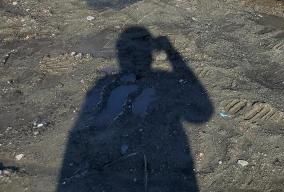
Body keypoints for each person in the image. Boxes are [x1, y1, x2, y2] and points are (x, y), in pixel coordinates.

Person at [58, 26, 213, 191]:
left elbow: (202, 113)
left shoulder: (105, 84)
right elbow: (202, 112)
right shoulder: (159, 78)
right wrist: (171, 52)